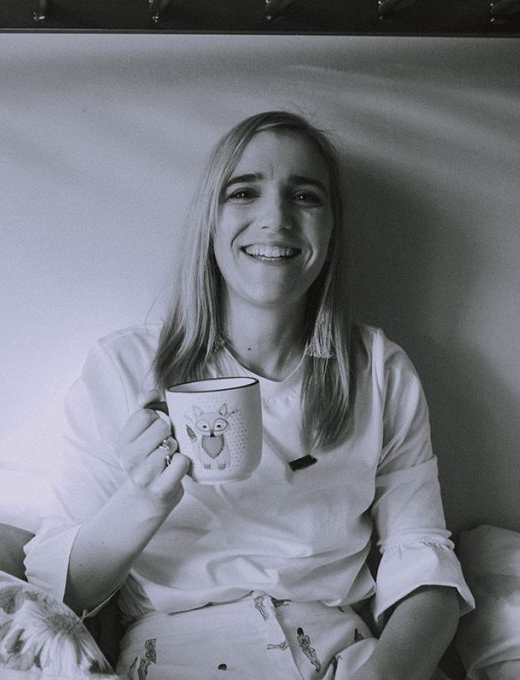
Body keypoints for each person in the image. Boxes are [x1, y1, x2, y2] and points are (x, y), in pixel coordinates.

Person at [23, 111, 474, 680]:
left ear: (331, 227)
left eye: (305, 197)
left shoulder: (380, 370)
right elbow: (57, 590)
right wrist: (143, 500)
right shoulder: (124, 367)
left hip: (344, 653)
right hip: (176, 654)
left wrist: (384, 675)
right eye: (244, 193)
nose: (275, 219)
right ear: (210, 221)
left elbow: (424, 565)